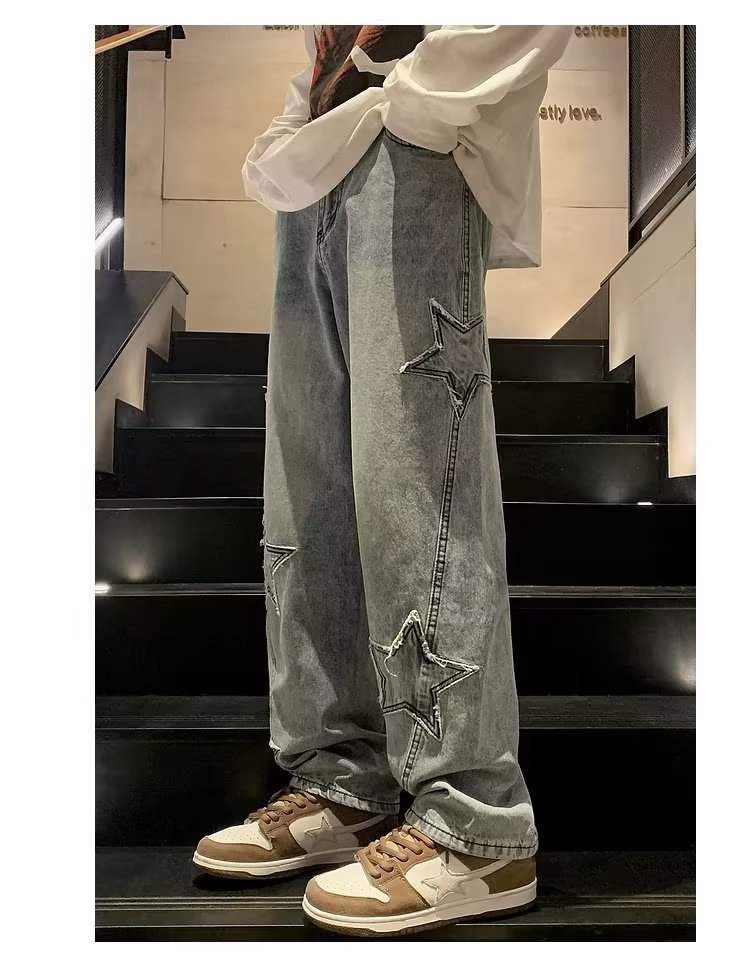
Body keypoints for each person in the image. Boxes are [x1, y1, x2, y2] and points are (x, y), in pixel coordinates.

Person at [193, 24, 573, 937]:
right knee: (309, 499)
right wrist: (310, 118)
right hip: (316, 171)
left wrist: (413, 108)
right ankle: (345, 779)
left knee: (420, 494)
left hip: (414, 149)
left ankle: (477, 826)